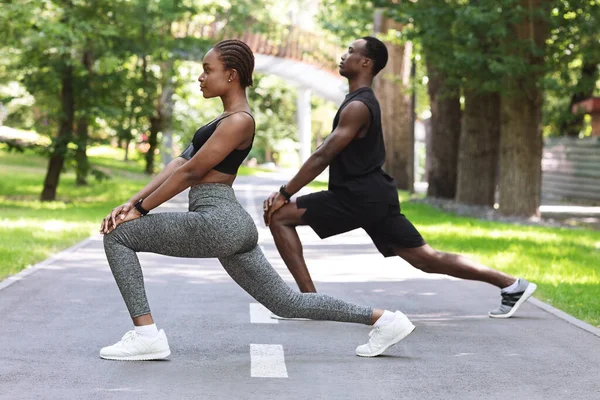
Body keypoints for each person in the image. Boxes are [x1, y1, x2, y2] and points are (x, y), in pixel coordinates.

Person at [98, 39, 415, 361]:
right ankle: (386, 320)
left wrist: (140, 211)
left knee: (118, 237)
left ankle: (146, 335)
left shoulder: (240, 121)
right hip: (230, 223)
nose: (201, 77)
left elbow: (193, 173)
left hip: (217, 220)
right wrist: (130, 204)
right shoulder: (222, 121)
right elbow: (178, 164)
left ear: (232, 75)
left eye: (208, 70)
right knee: (287, 303)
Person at [263, 36, 537, 320]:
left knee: (280, 216)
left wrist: (285, 193)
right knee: (426, 259)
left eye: (350, 52)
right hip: (373, 197)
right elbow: (325, 152)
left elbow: (323, 155)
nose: (344, 56)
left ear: (366, 62)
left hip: (358, 197)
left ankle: (311, 303)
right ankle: (512, 285)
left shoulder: (358, 106)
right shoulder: (357, 102)